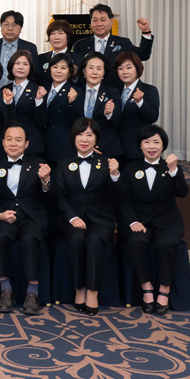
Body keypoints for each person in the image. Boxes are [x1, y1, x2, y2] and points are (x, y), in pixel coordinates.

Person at [114, 125, 187, 315]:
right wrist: (132, 221)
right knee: (135, 243)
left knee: (166, 245)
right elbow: (124, 200)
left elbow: (182, 192)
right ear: (140, 146)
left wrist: (173, 170)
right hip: (140, 221)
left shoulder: (170, 168)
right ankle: (146, 287)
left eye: (156, 142)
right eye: (147, 142)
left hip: (167, 222)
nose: (151, 146)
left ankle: (164, 290)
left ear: (163, 146)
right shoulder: (131, 169)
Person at [52, 118, 117, 316]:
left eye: (89, 135)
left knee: (95, 241)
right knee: (76, 239)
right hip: (72, 219)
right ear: (73, 138)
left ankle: (92, 292)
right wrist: (72, 217)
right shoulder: (64, 163)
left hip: (101, 219)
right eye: (80, 134)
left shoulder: (107, 163)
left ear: (96, 138)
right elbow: (59, 196)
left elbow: (116, 197)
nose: (84, 139)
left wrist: (115, 176)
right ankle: (79, 288)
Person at [0, 124, 51, 315]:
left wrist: (46, 181)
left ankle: (32, 293)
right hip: (5, 217)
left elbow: (51, 196)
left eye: (18, 139)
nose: (13, 143)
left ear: (26, 144)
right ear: (3, 142)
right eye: (9, 139)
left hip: (32, 217)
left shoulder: (39, 165)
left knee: (30, 239)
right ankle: (6, 290)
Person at [70, 4, 152, 88]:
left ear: (111, 21)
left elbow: (143, 55)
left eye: (103, 20)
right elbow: (76, 73)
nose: (99, 24)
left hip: (116, 92)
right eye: (95, 20)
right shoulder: (80, 45)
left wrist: (146, 31)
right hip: (87, 92)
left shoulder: (122, 43)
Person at [115, 52, 160, 162]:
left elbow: (153, 116)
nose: (125, 72)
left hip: (136, 149)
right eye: (120, 68)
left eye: (129, 67)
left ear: (137, 69)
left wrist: (140, 102)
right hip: (116, 148)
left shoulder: (149, 90)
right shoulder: (115, 91)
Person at [78, 53, 124, 159]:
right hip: (80, 148)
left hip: (106, 149)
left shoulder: (112, 92)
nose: (94, 72)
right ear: (84, 71)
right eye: (91, 68)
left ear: (104, 73)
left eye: (99, 69)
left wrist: (109, 113)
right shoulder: (75, 91)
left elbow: (118, 120)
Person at [2, 50, 47, 159]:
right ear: (11, 66)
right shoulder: (4, 89)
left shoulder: (38, 89)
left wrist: (39, 100)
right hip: (10, 146)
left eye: (25, 64)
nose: (21, 67)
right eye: (17, 63)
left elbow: (42, 122)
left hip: (32, 145)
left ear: (30, 68)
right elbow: (4, 120)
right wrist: (8, 103)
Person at [42, 53, 82, 165]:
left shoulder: (75, 92)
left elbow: (78, 121)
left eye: (63, 68)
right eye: (55, 67)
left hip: (64, 147)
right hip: (43, 145)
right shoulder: (42, 90)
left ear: (69, 73)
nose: (58, 71)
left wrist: (72, 103)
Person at [0, 11, 39, 88]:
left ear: (21, 28)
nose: (10, 28)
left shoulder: (30, 47)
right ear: (1, 27)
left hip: (19, 90)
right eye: (6, 24)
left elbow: (35, 74)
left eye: (14, 25)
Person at [33, 19, 81, 85]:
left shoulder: (77, 59)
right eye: (53, 33)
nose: (56, 37)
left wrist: (74, 76)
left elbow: (81, 84)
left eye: (60, 33)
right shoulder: (40, 58)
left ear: (68, 36)